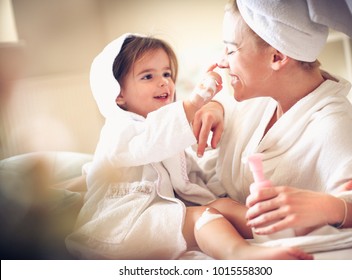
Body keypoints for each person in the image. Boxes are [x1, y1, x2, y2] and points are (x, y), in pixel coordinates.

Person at [65, 33, 313, 260]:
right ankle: (240, 254)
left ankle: (287, 227)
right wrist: (196, 101)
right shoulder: (119, 130)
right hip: (122, 224)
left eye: (167, 74)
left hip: (155, 211)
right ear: (118, 94)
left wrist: (217, 192)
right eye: (148, 76)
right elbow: (153, 141)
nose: (163, 83)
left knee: (222, 206)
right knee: (202, 217)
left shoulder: (164, 129)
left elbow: (189, 177)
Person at [192, 0, 352, 239]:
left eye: (231, 50)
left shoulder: (331, 128)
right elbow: (228, 104)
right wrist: (215, 106)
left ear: (277, 57)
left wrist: (330, 208)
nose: (222, 62)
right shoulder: (262, 96)